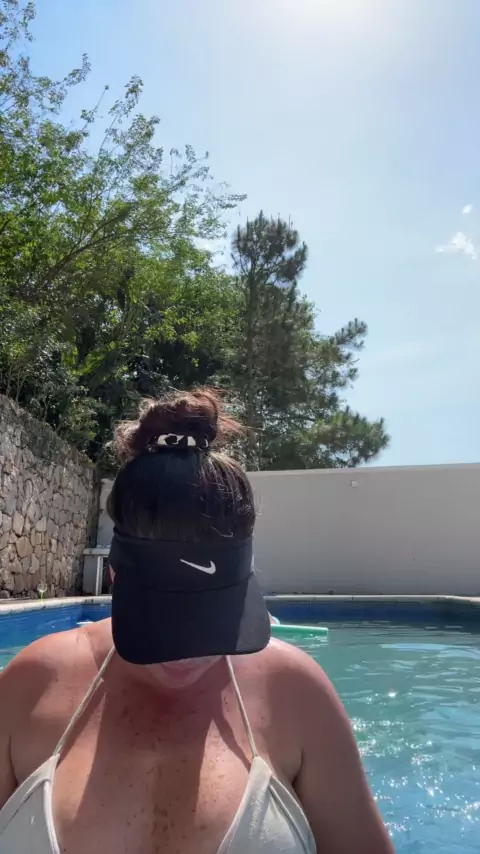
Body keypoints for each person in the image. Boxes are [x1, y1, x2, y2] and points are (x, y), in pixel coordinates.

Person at [0, 388, 395, 854]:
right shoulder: (32, 684)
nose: (186, 652)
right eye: (167, 616)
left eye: (207, 615)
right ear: (114, 574)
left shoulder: (296, 693)